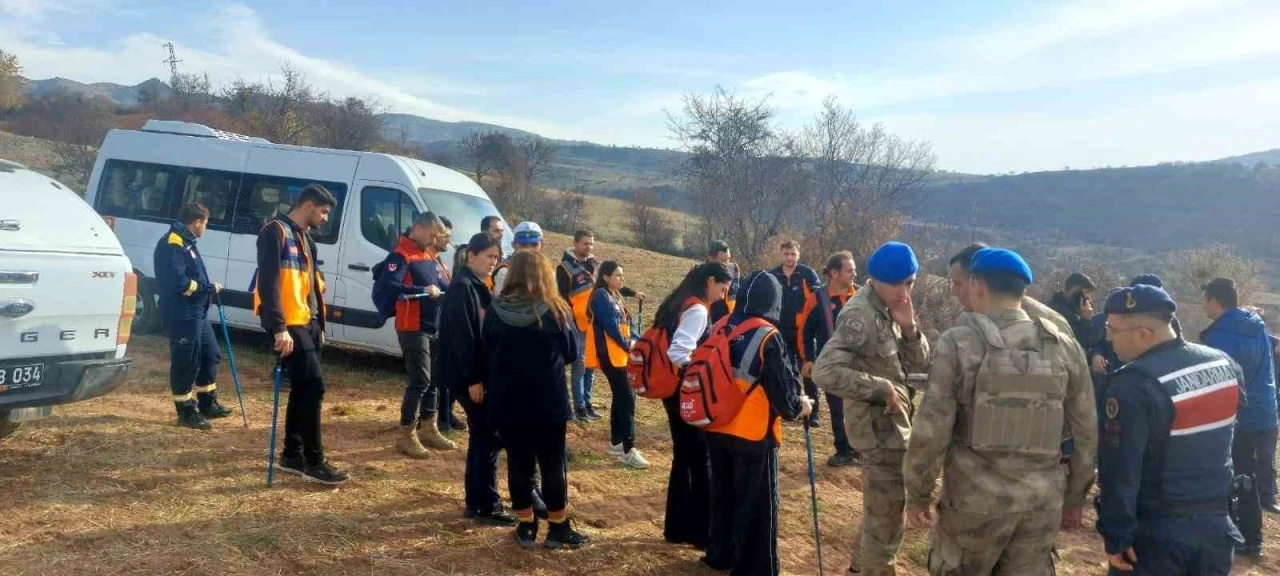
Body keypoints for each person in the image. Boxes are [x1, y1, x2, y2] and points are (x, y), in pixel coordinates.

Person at [903, 248, 1098, 575]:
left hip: (973, 506)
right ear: (1023, 290)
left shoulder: (959, 343)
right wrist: (1075, 498)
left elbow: (931, 430)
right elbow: (1087, 433)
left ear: (977, 284)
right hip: (1040, 507)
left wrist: (918, 494)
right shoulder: (1063, 344)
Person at [1097, 284, 1244, 574]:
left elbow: (1121, 471)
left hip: (1157, 537)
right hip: (1217, 527)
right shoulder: (1224, 363)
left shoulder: (1133, 385)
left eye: (1112, 329)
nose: (1108, 339)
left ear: (1143, 335)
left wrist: (1117, 535)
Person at [812, 241, 930, 576]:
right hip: (878, 433)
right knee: (887, 525)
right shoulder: (860, 315)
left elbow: (920, 369)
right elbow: (825, 371)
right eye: (899, 284)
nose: (905, 292)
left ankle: (858, 569)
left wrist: (909, 329)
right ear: (877, 279)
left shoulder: (894, 307)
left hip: (896, 427)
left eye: (911, 283)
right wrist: (878, 387)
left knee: (882, 515)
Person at [701, 271, 812, 575]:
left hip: (714, 425)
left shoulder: (720, 324)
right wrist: (801, 406)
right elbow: (784, 399)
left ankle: (719, 553)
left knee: (722, 496)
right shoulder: (767, 336)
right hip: (751, 433)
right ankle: (752, 568)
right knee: (757, 506)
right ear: (774, 300)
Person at [484, 251, 589, 549]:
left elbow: (487, 349)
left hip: (508, 402)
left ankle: (526, 525)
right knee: (553, 465)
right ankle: (558, 528)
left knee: (519, 465)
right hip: (548, 402)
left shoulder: (495, 310)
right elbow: (570, 353)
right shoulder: (557, 309)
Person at [254, 184, 350, 485]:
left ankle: (291, 455)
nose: (324, 218)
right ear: (308, 205)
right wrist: (279, 327)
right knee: (314, 386)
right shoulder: (274, 231)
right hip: (288, 324)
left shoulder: (307, 239)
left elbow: (311, 285)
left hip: (307, 323)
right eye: (323, 212)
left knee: (302, 389)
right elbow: (268, 282)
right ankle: (314, 461)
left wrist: (319, 325)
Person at [654, 262, 734, 550]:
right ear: (710, 280)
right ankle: (701, 532)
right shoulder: (698, 309)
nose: (723, 295)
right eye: (722, 288)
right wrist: (697, 381)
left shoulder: (676, 301)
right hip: (684, 392)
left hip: (670, 389)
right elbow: (679, 350)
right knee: (700, 461)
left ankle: (676, 527)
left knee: (683, 457)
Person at [439, 233, 515, 525]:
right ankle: (485, 504)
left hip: (475, 374)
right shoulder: (463, 288)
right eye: (489, 257)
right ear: (471, 255)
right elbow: (464, 337)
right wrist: (474, 379)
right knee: (487, 437)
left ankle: (478, 501)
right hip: (467, 376)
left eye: (496, 258)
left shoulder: (479, 285)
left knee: (484, 438)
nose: (493, 263)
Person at [1200, 277, 1276, 558]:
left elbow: (1222, 383)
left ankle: (1247, 538)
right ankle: (1245, 534)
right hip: (1266, 411)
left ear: (1215, 302)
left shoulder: (1221, 337)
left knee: (1237, 476)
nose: (1204, 305)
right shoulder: (1254, 325)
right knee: (1249, 473)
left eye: (1206, 299)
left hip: (1239, 416)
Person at [373, 212, 456, 458]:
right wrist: (421, 289)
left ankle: (428, 427)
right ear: (418, 228)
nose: (433, 240)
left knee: (434, 380)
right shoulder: (400, 256)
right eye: (431, 235)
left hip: (433, 325)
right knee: (420, 380)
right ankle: (406, 434)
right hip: (412, 326)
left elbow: (441, 285)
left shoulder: (427, 255)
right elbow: (389, 286)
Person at [153, 202, 229, 430]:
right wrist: (208, 289)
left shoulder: (187, 242)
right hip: (182, 313)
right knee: (186, 361)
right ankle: (186, 410)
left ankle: (207, 402)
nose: (206, 227)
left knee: (210, 355)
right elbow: (180, 283)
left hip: (197, 312)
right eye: (206, 223)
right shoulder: (172, 244)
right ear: (197, 222)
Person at [557, 230, 644, 423]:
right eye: (585, 243)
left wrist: (632, 292)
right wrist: (569, 321)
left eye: (591, 244)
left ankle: (587, 404)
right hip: (577, 324)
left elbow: (609, 284)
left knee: (591, 366)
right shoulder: (564, 268)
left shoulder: (594, 265)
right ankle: (578, 407)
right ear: (575, 243)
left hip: (594, 323)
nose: (588, 247)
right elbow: (562, 298)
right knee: (579, 366)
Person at [797, 251, 860, 467]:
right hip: (833, 363)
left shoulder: (860, 296)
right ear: (834, 272)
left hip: (859, 364)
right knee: (838, 408)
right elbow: (804, 331)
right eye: (849, 270)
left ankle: (859, 449)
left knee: (860, 407)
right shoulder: (817, 298)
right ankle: (843, 450)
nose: (854, 274)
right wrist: (808, 359)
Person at [585, 261, 649, 469]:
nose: (622, 279)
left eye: (622, 275)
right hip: (612, 356)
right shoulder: (600, 296)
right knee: (628, 399)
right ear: (605, 277)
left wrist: (640, 341)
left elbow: (626, 326)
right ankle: (629, 450)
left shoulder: (615, 296)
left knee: (622, 397)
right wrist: (627, 344)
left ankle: (616, 442)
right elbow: (611, 326)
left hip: (621, 355)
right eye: (618, 275)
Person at [770, 240, 821, 426]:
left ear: (798, 255)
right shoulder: (772, 275)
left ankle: (814, 413)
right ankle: (792, 407)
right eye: (786, 254)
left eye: (793, 254)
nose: (789, 257)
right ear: (781, 254)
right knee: (786, 371)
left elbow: (818, 300)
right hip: (779, 330)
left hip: (804, 332)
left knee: (809, 370)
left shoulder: (808, 274)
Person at [1048, 271, 1097, 348]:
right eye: (1087, 292)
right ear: (1076, 292)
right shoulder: (1058, 312)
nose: (1089, 298)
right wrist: (1086, 320)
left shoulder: (1073, 311)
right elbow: (1079, 346)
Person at [493, 221, 542, 293]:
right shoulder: (505, 272)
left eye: (534, 245)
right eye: (523, 245)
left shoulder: (547, 271)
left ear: (542, 245)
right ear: (513, 245)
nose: (529, 249)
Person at [705, 240, 740, 324]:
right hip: (708, 318)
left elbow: (737, 292)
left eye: (728, 259)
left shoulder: (734, 269)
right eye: (723, 261)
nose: (727, 264)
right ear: (710, 259)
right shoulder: (701, 273)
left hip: (729, 318)